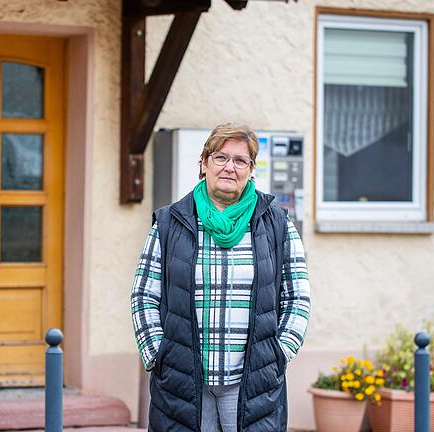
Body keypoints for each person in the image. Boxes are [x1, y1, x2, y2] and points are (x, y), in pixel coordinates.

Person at [131, 123, 311, 432]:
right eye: (220, 157)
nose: (230, 167)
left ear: (251, 170)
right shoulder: (170, 222)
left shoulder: (276, 222)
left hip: (250, 383)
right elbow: (143, 296)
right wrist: (157, 356)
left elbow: (297, 298)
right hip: (183, 382)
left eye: (240, 160)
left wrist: (278, 355)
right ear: (203, 163)